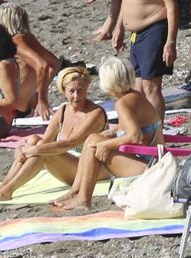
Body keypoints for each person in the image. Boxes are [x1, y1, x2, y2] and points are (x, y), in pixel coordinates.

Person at [47, 57, 161, 211]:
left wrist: (105, 144)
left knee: (95, 143)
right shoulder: (134, 96)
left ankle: (82, 198)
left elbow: (135, 136)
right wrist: (112, 134)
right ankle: (75, 192)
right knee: (93, 139)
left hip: (149, 168)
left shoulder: (123, 103)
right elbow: (134, 129)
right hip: (152, 161)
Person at [0, 66, 108, 202]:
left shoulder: (96, 113)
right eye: (71, 91)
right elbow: (46, 140)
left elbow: (71, 143)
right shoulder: (63, 111)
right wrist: (22, 148)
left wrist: (31, 150)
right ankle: (3, 186)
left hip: (94, 169)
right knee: (34, 139)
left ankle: (7, 190)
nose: (76, 96)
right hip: (71, 167)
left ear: (87, 89)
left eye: (80, 90)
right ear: (64, 91)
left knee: (40, 148)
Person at [100, 0, 179, 122]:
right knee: (137, 87)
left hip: (154, 30)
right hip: (135, 34)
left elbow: (171, 5)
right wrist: (119, 28)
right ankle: (144, 129)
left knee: (151, 87)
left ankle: (157, 135)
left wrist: (171, 42)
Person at [0, 4, 63, 120]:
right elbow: (55, 63)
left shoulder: (15, 42)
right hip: (28, 105)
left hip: (14, 109)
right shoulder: (28, 37)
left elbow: (43, 66)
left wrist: (42, 100)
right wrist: (37, 93)